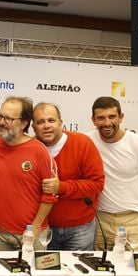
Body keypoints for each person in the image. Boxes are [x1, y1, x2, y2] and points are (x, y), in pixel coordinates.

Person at [0, 96, 58, 250]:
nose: (1, 122)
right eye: (0, 116)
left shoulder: (40, 151)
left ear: (24, 123)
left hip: (31, 233)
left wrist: (35, 226)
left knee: (34, 274)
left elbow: (50, 195)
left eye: (8, 119)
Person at [88, 96, 138, 251]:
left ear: (121, 117)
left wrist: (132, 199)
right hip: (100, 221)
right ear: (93, 120)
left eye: (112, 117)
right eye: (101, 118)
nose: (107, 123)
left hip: (134, 221)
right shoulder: (87, 141)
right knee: (100, 272)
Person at [32, 102, 104, 251]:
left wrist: (61, 187)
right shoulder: (30, 148)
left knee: (79, 272)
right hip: (44, 228)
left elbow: (97, 184)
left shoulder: (82, 143)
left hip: (80, 228)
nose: (46, 126)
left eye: (51, 120)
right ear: (33, 127)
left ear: (61, 122)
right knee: (45, 272)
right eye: (40, 122)